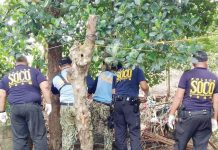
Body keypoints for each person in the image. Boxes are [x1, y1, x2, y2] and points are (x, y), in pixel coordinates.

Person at [168, 50, 218, 150]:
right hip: (205, 117)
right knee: (201, 147)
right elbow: (216, 102)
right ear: (206, 61)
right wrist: (214, 119)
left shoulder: (187, 75)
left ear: (193, 62)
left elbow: (178, 97)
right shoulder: (214, 77)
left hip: (188, 117)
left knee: (180, 145)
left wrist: (171, 114)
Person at [0, 55, 52, 150]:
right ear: (27, 63)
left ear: (15, 64)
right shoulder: (34, 71)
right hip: (32, 107)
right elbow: (45, 86)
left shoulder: (7, 76)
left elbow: (2, 94)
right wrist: (49, 102)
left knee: (19, 139)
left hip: (15, 109)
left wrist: (2, 111)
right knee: (39, 136)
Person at [113, 63, 149, 150]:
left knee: (120, 132)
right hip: (130, 103)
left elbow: (113, 91)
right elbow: (144, 86)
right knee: (134, 132)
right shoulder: (136, 69)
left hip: (117, 102)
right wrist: (146, 94)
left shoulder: (117, 71)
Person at [51, 57, 77, 150]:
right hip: (79, 107)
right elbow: (90, 87)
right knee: (84, 132)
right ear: (71, 64)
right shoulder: (79, 74)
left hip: (65, 107)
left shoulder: (56, 78)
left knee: (67, 133)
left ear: (59, 67)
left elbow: (54, 91)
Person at [89, 61, 116, 150]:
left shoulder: (99, 76)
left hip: (95, 103)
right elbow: (114, 92)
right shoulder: (115, 77)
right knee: (108, 128)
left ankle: (89, 146)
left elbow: (91, 89)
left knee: (92, 126)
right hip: (106, 105)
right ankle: (108, 148)